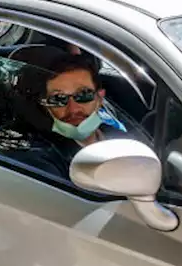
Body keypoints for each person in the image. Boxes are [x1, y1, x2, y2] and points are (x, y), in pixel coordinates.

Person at [10, 50, 129, 180]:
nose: (73, 108)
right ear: (46, 106)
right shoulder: (43, 158)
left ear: (100, 99)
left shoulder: (119, 133)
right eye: (59, 99)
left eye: (83, 94)